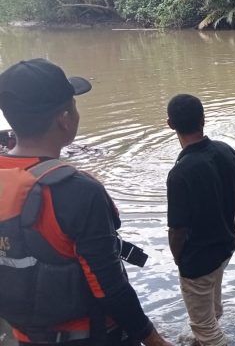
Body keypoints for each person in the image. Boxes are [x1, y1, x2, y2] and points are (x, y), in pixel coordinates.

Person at [0, 58, 173, 346]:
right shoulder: (77, 191)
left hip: (23, 336)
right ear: (64, 119)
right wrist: (155, 340)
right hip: (89, 336)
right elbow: (109, 285)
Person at [166, 94, 235, 346]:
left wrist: (178, 259)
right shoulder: (227, 152)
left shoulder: (180, 173)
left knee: (204, 328)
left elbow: (177, 230)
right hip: (225, 249)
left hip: (198, 260)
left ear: (171, 124)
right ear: (203, 119)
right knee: (212, 310)